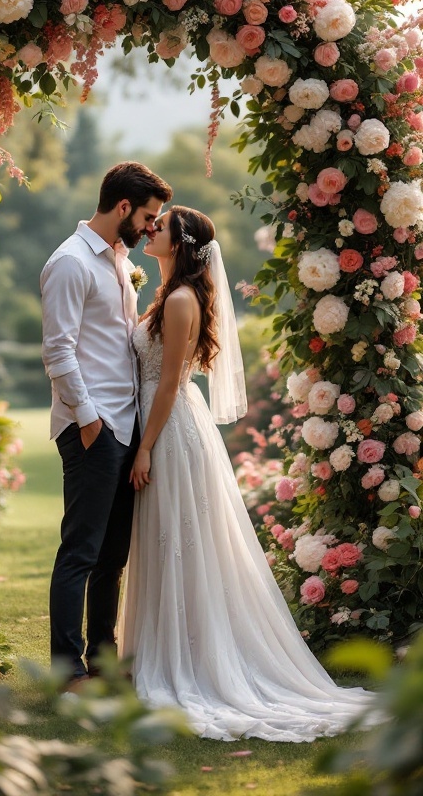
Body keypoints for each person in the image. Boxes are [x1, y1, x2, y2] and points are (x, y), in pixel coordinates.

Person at [118, 205, 378, 742]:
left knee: (180, 541)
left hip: (168, 431)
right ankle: (164, 651)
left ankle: (189, 663)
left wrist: (144, 448)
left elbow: (167, 385)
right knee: (170, 540)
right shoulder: (169, 296)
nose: (149, 229)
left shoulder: (183, 300)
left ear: (181, 243)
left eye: (158, 226)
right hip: (163, 423)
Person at [40, 162, 172, 690]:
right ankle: (66, 668)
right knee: (81, 550)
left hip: (126, 423)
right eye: (146, 216)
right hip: (93, 428)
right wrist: (91, 422)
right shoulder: (70, 263)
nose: (149, 227)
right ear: (123, 208)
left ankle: (103, 658)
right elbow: (58, 351)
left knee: (112, 556)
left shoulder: (117, 260)